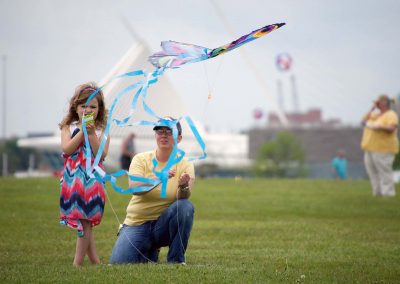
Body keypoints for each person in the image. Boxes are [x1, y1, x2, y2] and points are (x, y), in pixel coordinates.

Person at [109, 117, 195, 265]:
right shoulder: (140, 159)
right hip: (137, 223)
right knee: (119, 264)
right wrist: (157, 178)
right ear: (155, 136)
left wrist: (183, 186)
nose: (164, 135)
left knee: (185, 207)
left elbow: (184, 196)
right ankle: (150, 249)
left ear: (179, 138)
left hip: (162, 226)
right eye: (160, 131)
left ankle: (176, 261)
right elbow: (134, 188)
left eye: (169, 131)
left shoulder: (185, 164)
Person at [59, 82, 110, 266]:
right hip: (73, 180)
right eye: (83, 106)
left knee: (86, 220)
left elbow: (101, 154)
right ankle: (95, 262)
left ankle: (77, 263)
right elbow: (67, 149)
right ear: (76, 107)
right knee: (83, 221)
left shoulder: (102, 129)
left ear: (100, 109)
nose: (88, 110)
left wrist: (92, 134)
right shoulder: (68, 127)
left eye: (92, 106)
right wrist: (82, 131)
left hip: (93, 180)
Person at [361, 94, 399, 197]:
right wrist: (372, 109)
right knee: (373, 173)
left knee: (384, 172)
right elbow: (363, 121)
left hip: (383, 149)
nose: (375, 104)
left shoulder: (391, 115)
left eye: (377, 102)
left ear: (383, 103)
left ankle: (388, 194)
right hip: (370, 148)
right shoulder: (376, 114)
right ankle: (377, 194)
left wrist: (378, 127)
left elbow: (392, 128)